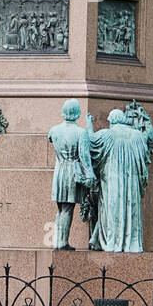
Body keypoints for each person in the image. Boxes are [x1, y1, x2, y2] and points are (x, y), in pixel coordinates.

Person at [85, 109, 153, 252]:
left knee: (111, 208)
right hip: (132, 181)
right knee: (130, 208)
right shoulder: (137, 136)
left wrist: (88, 124)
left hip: (112, 179)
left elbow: (90, 140)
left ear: (112, 120)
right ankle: (132, 243)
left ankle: (113, 242)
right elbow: (146, 148)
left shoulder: (108, 134)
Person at [47, 99, 94, 250]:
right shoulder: (81, 133)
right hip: (71, 171)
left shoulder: (54, 130)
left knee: (60, 208)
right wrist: (90, 175)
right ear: (78, 113)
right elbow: (85, 158)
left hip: (59, 170)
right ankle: (62, 243)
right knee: (67, 208)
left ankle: (57, 241)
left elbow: (50, 138)